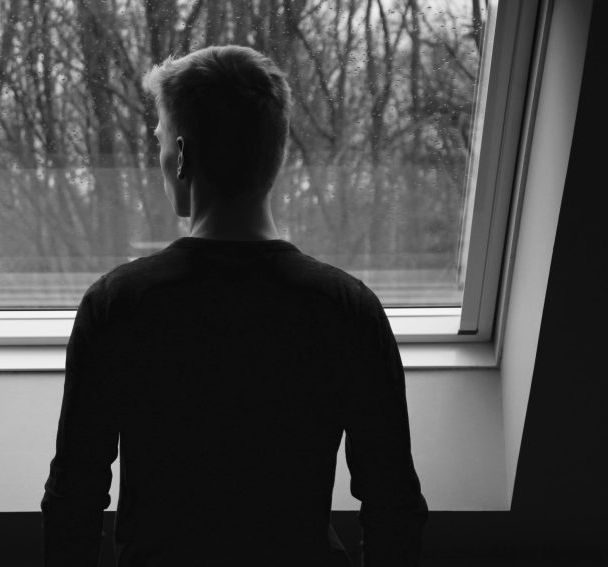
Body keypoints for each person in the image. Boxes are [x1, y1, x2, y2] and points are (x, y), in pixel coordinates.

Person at [41, 45, 428, 567]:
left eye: (157, 139)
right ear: (275, 153)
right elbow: (393, 504)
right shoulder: (347, 310)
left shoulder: (119, 307)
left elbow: (74, 500)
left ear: (181, 155)